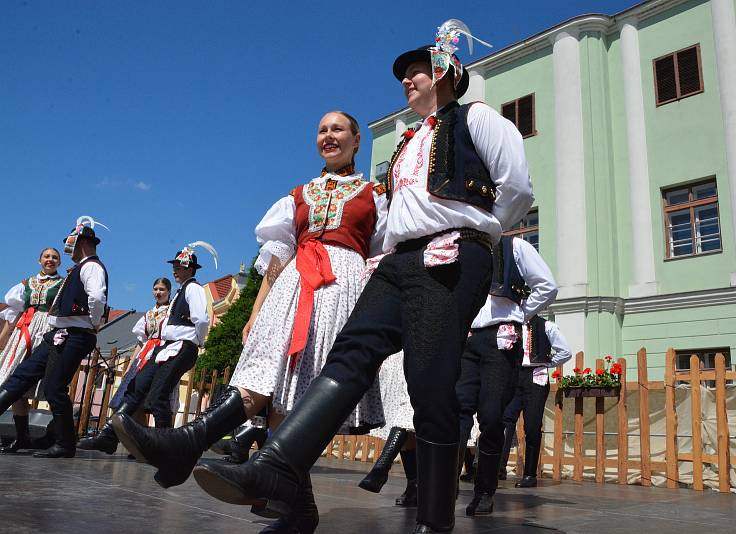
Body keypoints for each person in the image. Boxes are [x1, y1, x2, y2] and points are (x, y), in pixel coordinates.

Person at [141, 20, 532, 534]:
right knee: (351, 351)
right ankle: (279, 467)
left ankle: (434, 521)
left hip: (452, 254)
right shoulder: (407, 143)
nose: (406, 83)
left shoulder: (477, 119)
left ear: (444, 73)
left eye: (415, 73)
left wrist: (472, 231)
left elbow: (517, 189)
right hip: (398, 261)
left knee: (430, 383)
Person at [114, 110, 387, 534]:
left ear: (356, 141)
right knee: (268, 380)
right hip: (294, 285)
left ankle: (193, 448)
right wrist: (257, 313)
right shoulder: (296, 196)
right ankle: (286, 503)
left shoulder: (375, 194)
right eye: (321, 130)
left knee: (301, 394)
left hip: (342, 286)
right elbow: (275, 263)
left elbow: (381, 255)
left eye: (337, 130)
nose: (328, 136)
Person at [455, 234, 556, 516]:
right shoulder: (460, 245)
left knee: (490, 416)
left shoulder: (515, 246)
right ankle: (446, 486)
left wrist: (519, 314)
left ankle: (485, 490)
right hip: (466, 337)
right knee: (457, 411)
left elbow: (547, 286)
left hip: (501, 338)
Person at [0, 216, 109, 458]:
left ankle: (65, 444)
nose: (66, 249)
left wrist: (92, 322)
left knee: (54, 388)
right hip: (57, 333)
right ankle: (58, 441)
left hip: (74, 334)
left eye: (69, 244)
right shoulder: (79, 268)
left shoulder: (91, 266)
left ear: (80, 242)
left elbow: (97, 298)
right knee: (20, 376)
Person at [76, 277, 173, 454]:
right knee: (133, 401)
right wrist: (131, 364)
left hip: (161, 354)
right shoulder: (149, 314)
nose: (158, 292)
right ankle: (140, 446)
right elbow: (140, 342)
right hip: (144, 355)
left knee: (150, 402)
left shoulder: (171, 312)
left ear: (169, 292)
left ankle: (154, 445)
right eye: (156, 289)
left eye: (162, 289)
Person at [0, 248, 63, 453]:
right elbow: (13, 315)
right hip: (25, 330)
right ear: (39, 260)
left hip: (49, 331)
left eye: (54, 257)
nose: (50, 260)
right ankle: (22, 436)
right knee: (15, 381)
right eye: (47, 256)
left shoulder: (63, 284)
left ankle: (57, 435)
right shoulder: (26, 284)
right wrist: (3, 341)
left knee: (51, 384)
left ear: (59, 262)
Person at [498, 315, 572, 488]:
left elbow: (565, 351)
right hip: (515, 376)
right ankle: (499, 467)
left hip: (535, 376)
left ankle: (530, 474)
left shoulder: (546, 326)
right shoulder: (509, 325)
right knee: (505, 419)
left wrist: (546, 362)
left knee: (532, 426)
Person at [357, 351, 417, 507]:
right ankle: (414, 486)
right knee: (402, 416)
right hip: (403, 351)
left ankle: (381, 467)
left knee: (408, 409)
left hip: (428, 345)